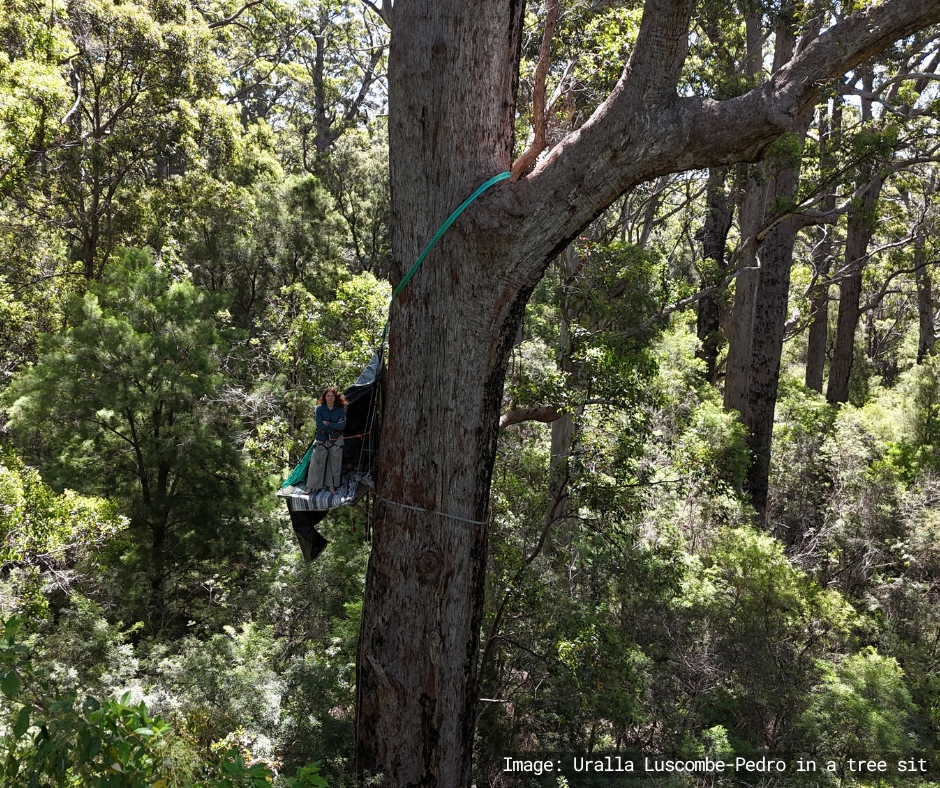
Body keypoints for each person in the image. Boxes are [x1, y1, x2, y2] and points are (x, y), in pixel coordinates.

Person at [305, 387, 347, 495]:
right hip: (321, 439)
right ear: (324, 397)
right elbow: (319, 425)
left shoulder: (340, 410)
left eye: (332, 396)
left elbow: (342, 426)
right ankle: (310, 487)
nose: (330, 398)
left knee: (334, 465)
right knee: (316, 464)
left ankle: (331, 487)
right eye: (328, 395)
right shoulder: (319, 409)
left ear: (335, 397)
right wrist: (335, 425)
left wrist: (327, 424)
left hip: (336, 440)